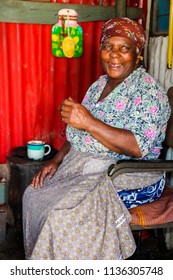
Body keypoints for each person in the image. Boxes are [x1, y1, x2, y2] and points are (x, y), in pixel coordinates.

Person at [22, 17, 171, 260]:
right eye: (108, 47)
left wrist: (88, 121)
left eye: (124, 48)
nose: (114, 55)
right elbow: (78, 132)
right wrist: (57, 160)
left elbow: (136, 147)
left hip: (128, 174)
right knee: (34, 194)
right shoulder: (99, 84)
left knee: (61, 214)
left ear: (137, 54)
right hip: (84, 165)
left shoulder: (148, 92)